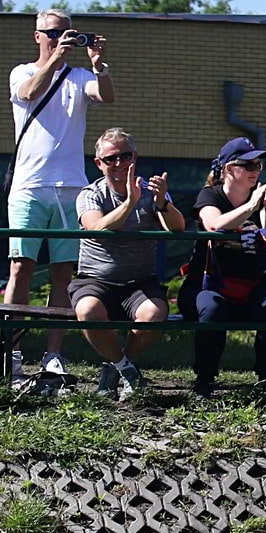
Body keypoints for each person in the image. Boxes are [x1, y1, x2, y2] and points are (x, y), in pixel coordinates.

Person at [5, 10, 115, 383]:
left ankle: (53, 355)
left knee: (63, 274)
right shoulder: (22, 71)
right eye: (52, 33)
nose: (60, 38)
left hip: (71, 188)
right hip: (30, 187)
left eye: (67, 32)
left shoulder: (79, 76)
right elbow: (29, 93)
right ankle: (11, 354)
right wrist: (55, 59)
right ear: (37, 35)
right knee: (20, 267)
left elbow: (107, 96)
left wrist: (99, 66)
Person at [72, 128, 183, 400]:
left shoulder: (153, 191)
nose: (119, 163)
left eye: (125, 156)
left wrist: (162, 203)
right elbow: (97, 229)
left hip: (139, 282)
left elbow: (177, 228)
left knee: (154, 314)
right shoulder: (90, 194)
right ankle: (128, 370)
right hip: (95, 281)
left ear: (135, 157)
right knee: (88, 311)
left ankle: (114, 369)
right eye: (111, 159)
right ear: (99, 163)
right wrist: (130, 202)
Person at [189, 137, 266, 396]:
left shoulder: (259, 198)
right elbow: (214, 224)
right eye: (249, 165)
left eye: (258, 166)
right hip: (212, 283)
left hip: (252, 282)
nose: (256, 171)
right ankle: (205, 378)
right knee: (212, 311)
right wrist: (251, 205)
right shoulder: (210, 195)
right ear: (229, 169)